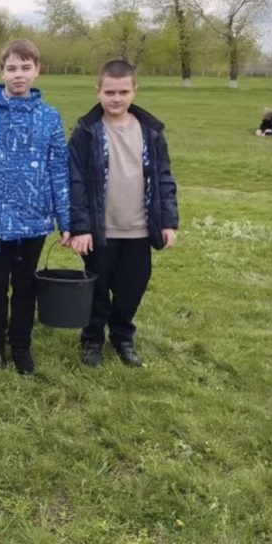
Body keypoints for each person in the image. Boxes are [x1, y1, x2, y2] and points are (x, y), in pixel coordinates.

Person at [0, 40, 71, 375]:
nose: (18, 75)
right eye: (12, 68)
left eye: (25, 68)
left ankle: (20, 345)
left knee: (25, 286)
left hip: (33, 220)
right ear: (1, 72)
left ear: (37, 70)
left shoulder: (49, 117)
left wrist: (66, 219)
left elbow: (58, 169)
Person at [68, 60, 179, 368]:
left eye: (123, 92)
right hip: (101, 229)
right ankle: (92, 339)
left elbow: (164, 177)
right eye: (110, 92)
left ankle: (122, 336)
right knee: (98, 288)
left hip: (140, 229)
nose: (116, 98)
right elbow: (75, 182)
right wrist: (81, 227)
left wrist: (168, 221)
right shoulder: (86, 132)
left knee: (132, 286)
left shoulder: (151, 133)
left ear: (134, 91)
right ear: (98, 91)